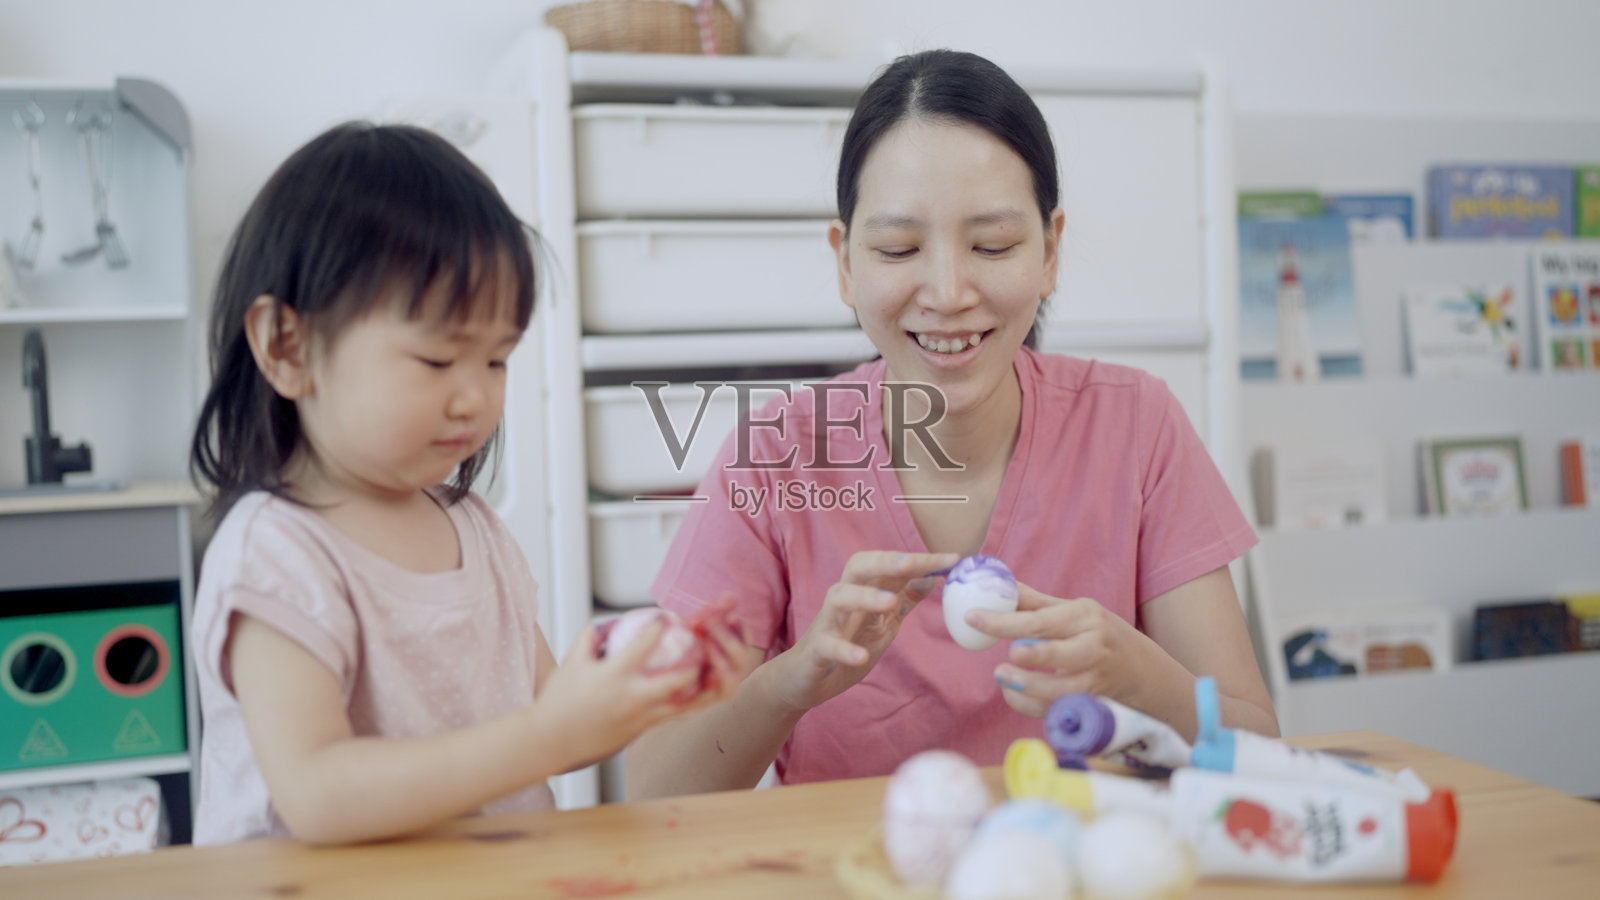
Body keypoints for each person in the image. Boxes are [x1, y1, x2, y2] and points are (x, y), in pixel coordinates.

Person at [627, 49, 1278, 799]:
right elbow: (652, 789)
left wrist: (1142, 679)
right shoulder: (774, 456)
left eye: (992, 246)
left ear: (1050, 250)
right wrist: (789, 685)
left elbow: (1259, 744)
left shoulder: (1138, 426)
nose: (947, 292)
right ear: (845, 263)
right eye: (899, 248)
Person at [187, 123, 735, 845]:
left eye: (496, 361)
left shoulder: (474, 530)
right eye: (439, 361)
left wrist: (644, 682)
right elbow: (317, 795)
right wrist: (548, 736)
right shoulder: (276, 553)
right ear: (288, 347)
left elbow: (552, 710)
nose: (474, 397)